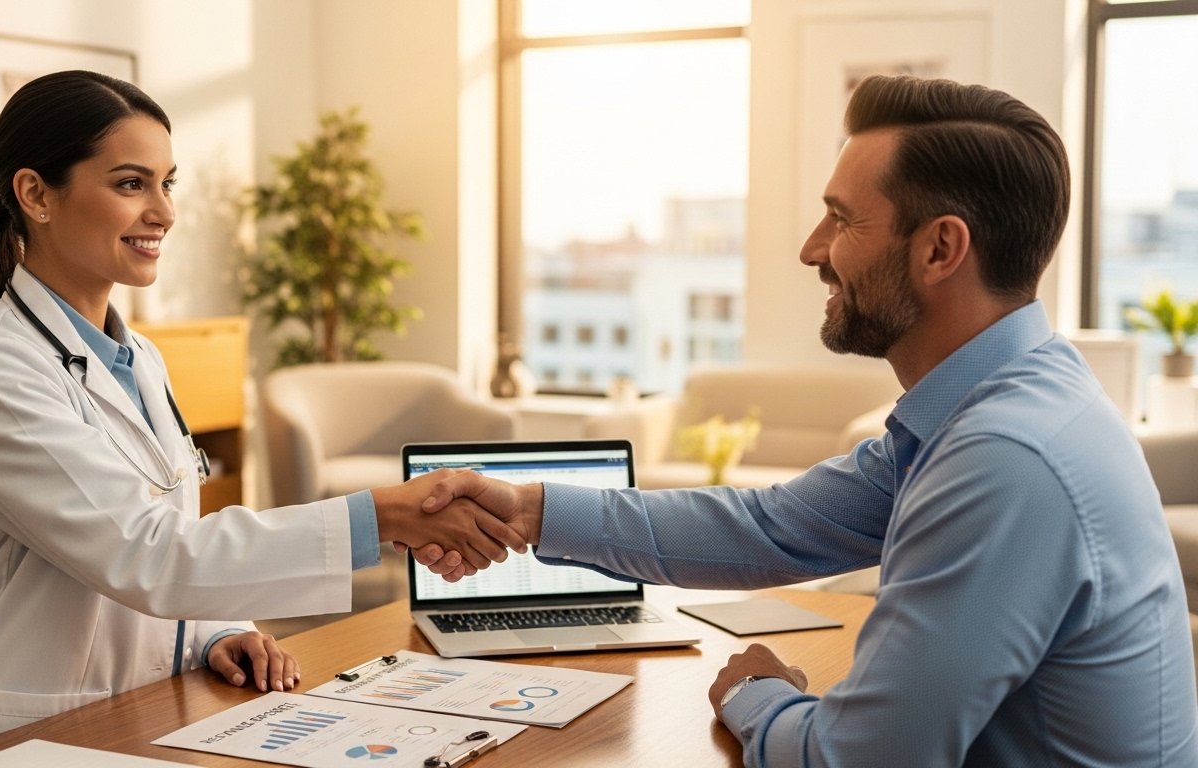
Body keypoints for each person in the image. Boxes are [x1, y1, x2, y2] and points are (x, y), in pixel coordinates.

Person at [419, 75, 1198, 766]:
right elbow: (770, 527)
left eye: (841, 219)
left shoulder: (1004, 458)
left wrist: (759, 695)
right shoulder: (1009, 399)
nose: (810, 249)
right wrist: (528, 509)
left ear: (940, 249)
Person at [0, 70, 523, 761]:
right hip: (17, 737)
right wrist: (381, 516)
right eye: (131, 184)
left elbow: (166, 536)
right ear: (36, 194)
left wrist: (214, 632)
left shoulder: (139, 358)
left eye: (168, 184)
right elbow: (145, 554)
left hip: (142, 711)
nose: (163, 212)